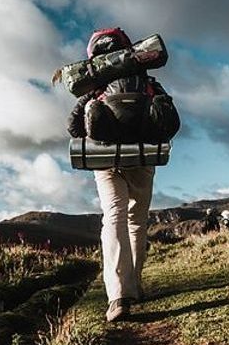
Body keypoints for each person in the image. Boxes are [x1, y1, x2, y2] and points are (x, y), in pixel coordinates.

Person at [67, 27, 163, 322]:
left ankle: (118, 296)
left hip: (105, 159)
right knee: (137, 221)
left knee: (114, 218)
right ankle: (134, 286)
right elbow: (164, 116)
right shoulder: (145, 80)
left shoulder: (94, 85)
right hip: (143, 157)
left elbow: (73, 127)